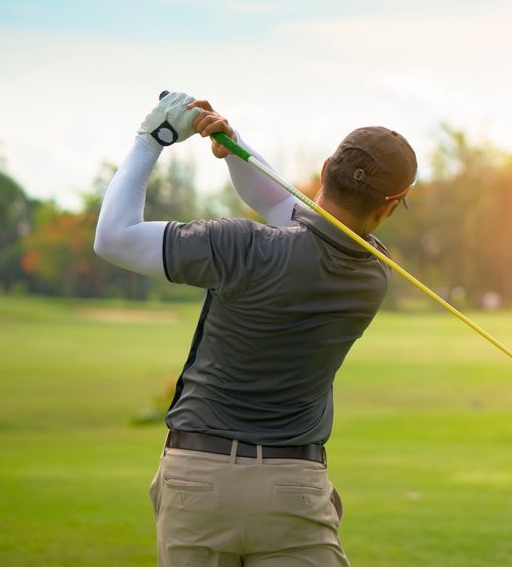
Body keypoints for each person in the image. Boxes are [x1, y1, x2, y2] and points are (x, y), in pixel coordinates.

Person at [93, 92, 417, 566]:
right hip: (293, 491)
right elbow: (284, 204)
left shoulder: (239, 246)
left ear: (326, 169)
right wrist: (233, 143)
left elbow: (114, 238)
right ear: (390, 207)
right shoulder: (373, 272)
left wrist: (151, 140)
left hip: (195, 481)